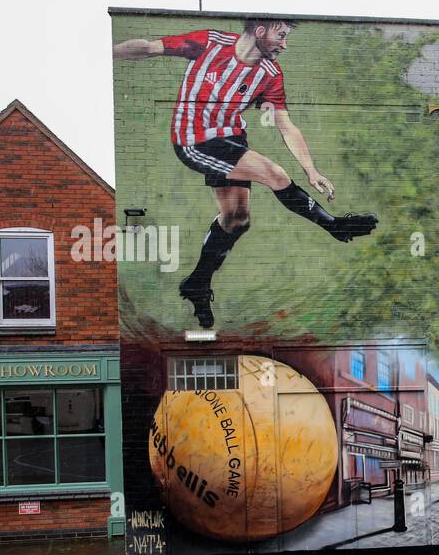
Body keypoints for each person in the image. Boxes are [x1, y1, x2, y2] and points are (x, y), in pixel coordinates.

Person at [113, 18, 377, 329]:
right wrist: (106, 52)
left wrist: (311, 169)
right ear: (261, 30)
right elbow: (149, 48)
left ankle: (197, 282)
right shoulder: (208, 42)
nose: (284, 44)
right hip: (193, 139)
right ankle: (334, 226)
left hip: (231, 138)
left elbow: (285, 124)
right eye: (281, 35)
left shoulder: (270, 74)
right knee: (274, 173)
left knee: (237, 219)